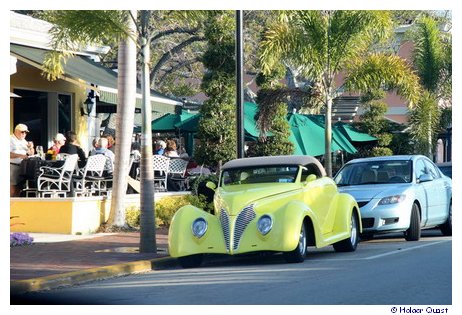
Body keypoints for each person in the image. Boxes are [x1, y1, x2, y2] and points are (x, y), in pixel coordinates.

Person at [10, 123, 34, 197]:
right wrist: (20, 156)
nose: (24, 134)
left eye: (26, 132)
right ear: (16, 131)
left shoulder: (23, 140)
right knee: (12, 189)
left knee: (19, 189)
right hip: (12, 166)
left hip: (22, 166)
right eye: (22, 132)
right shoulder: (10, 139)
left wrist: (31, 147)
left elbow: (31, 153)